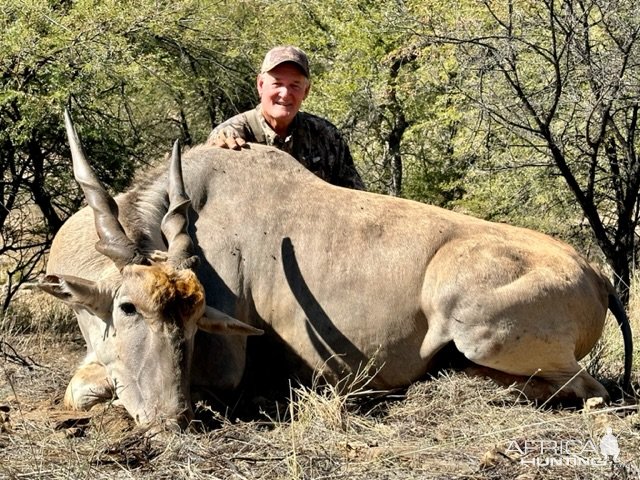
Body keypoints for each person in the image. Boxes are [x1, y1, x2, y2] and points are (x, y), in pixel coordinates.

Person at [207, 46, 365, 190]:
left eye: (295, 85)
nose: (285, 93)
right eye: (277, 83)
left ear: (306, 91)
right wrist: (219, 152)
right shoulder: (230, 137)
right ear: (261, 85)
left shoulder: (327, 136)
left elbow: (357, 198)